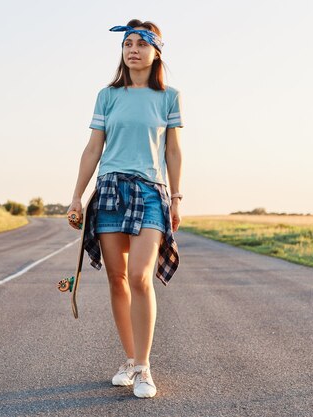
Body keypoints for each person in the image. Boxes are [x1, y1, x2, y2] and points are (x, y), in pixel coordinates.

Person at [67, 19, 183, 399]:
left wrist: (177, 198)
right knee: (116, 279)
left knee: (139, 277)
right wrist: (76, 197)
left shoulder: (169, 97)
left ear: (156, 51)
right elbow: (92, 149)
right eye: (127, 44)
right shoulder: (107, 96)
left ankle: (145, 368)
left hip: (151, 192)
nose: (132, 49)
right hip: (110, 190)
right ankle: (131, 360)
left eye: (140, 44)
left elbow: (173, 150)